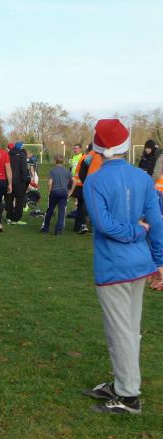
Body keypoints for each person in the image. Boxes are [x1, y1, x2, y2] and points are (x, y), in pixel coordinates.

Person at [82, 119, 163, 414]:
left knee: (121, 331)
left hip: (114, 267)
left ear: (97, 146)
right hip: (138, 264)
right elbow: (156, 222)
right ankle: (122, 384)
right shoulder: (142, 177)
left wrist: (138, 234)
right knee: (127, 328)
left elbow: (104, 225)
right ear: (126, 145)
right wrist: (158, 260)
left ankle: (129, 396)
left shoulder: (95, 180)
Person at [73, 143, 103, 234]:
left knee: (81, 206)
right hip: (86, 184)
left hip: (80, 184)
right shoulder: (93, 156)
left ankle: (79, 226)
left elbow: (81, 170)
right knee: (87, 205)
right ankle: (85, 225)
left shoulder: (86, 157)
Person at [40, 155, 73, 235]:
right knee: (61, 212)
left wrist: (49, 192)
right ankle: (58, 230)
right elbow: (73, 181)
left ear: (55, 161)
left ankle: (45, 228)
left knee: (50, 210)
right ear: (63, 161)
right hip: (64, 192)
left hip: (54, 192)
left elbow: (50, 183)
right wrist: (71, 192)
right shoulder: (67, 171)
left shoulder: (53, 170)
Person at [6, 141, 30, 225]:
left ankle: (9, 217)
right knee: (19, 201)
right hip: (19, 181)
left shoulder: (8, 154)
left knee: (9, 199)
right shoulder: (22, 155)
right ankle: (16, 219)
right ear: (21, 147)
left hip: (9, 180)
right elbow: (24, 168)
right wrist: (25, 180)